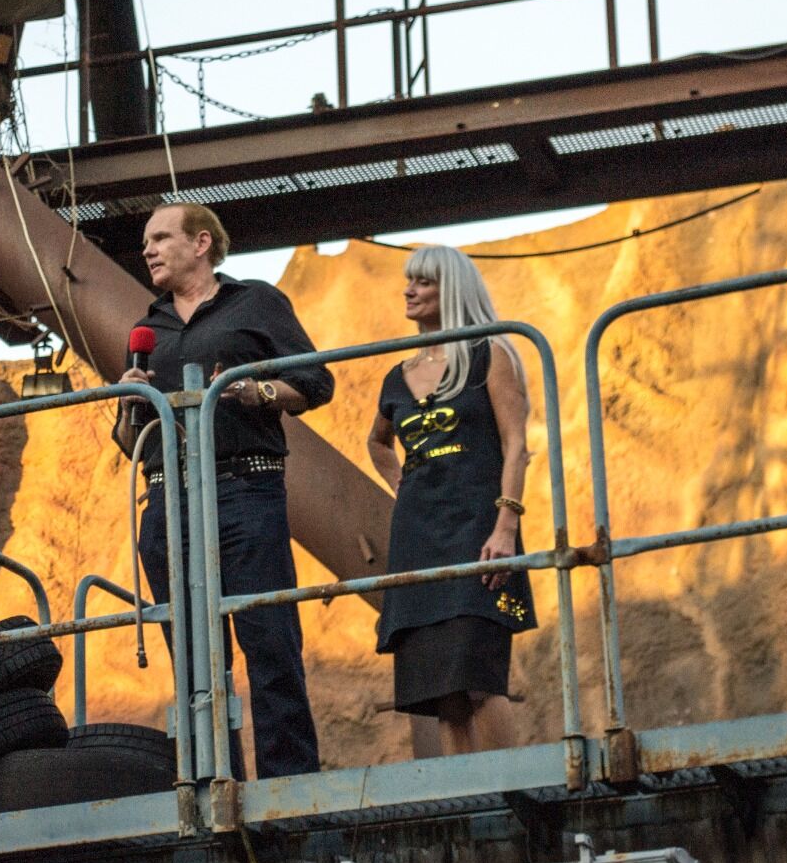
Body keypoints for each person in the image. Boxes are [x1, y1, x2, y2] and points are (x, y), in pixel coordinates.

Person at [116, 201, 331, 779]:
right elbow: (128, 441)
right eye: (146, 242)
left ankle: (290, 787)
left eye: (161, 238)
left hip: (245, 486)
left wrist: (256, 391)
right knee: (192, 657)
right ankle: (214, 782)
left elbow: (316, 381)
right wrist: (129, 400)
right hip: (167, 499)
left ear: (201, 242)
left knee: (269, 640)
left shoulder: (255, 302)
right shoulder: (147, 329)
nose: (148, 250)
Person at [365, 245, 536, 755]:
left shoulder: (490, 354)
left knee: (478, 675)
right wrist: (402, 482)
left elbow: (516, 445)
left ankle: (510, 788)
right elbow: (377, 442)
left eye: (423, 282)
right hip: (417, 537)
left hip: (477, 530)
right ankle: (464, 793)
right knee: (443, 691)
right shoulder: (397, 375)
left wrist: (506, 527)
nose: (409, 290)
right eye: (409, 280)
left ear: (453, 289)